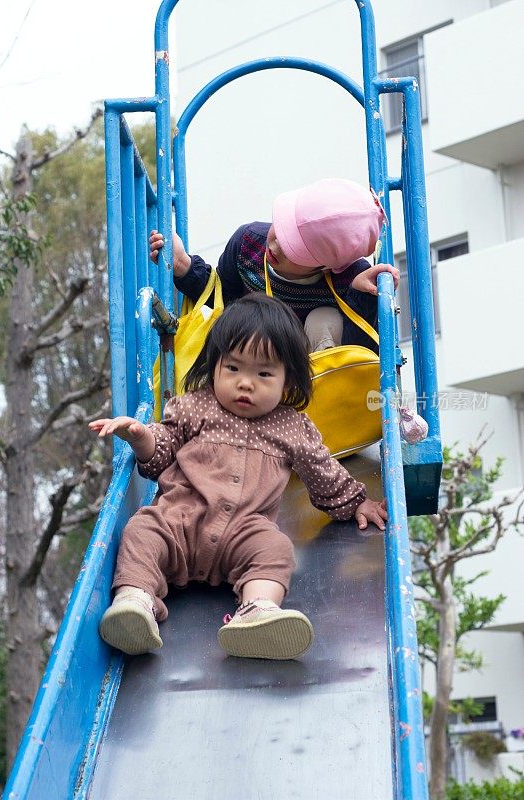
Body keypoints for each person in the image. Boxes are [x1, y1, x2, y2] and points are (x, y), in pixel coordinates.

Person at [89, 293, 387, 661]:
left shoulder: (291, 426)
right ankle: (136, 601)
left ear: (288, 379)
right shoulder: (194, 406)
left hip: (244, 533)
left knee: (276, 549)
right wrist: (141, 437)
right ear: (214, 365)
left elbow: (322, 471)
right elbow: (161, 451)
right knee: (141, 530)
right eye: (233, 368)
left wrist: (357, 501)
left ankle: (257, 610)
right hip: (178, 521)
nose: (246, 383)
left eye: (263, 373)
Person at [150, 177, 400, 353]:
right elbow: (220, 300)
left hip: (316, 381)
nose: (275, 246)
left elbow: (362, 354)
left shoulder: (350, 278)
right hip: (258, 364)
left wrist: (360, 297)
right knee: (249, 321)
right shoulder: (248, 244)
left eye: (292, 248)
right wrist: (183, 265)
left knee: (322, 319)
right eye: (279, 229)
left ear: (325, 266)